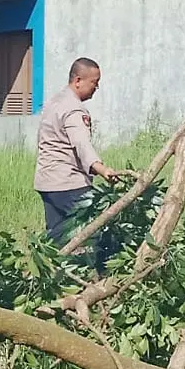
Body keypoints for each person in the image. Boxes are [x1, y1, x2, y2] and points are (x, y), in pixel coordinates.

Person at [34, 57, 122, 245]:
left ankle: (55, 271)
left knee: (57, 236)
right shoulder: (74, 110)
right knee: (96, 231)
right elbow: (82, 145)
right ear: (78, 81)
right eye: (94, 83)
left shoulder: (53, 103)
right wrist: (102, 169)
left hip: (47, 181)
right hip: (69, 183)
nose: (96, 88)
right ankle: (100, 273)